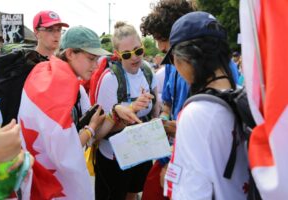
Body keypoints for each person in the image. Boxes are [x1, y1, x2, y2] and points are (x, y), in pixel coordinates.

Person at [19, 25, 150, 199]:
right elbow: (64, 151)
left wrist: (114, 114)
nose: (96, 66)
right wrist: (91, 128)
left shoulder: (56, 79)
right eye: (91, 59)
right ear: (70, 53)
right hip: (50, 185)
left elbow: (94, 135)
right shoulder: (58, 87)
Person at [163, 11, 249, 200]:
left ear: (184, 59)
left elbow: (192, 194)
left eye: (172, 59)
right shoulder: (243, 97)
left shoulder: (196, 113)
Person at [95, 21, 160, 200]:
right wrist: (129, 111)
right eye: (127, 54)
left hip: (142, 149)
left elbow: (156, 106)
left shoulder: (148, 71)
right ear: (117, 54)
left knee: (133, 194)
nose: (134, 58)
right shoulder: (110, 80)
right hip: (114, 156)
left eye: (138, 51)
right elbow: (98, 132)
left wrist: (155, 118)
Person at [140, 1, 196, 199]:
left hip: (193, 160)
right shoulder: (171, 64)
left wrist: (176, 127)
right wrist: (163, 120)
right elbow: (168, 104)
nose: (159, 46)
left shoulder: (212, 67)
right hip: (171, 153)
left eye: (161, 39)